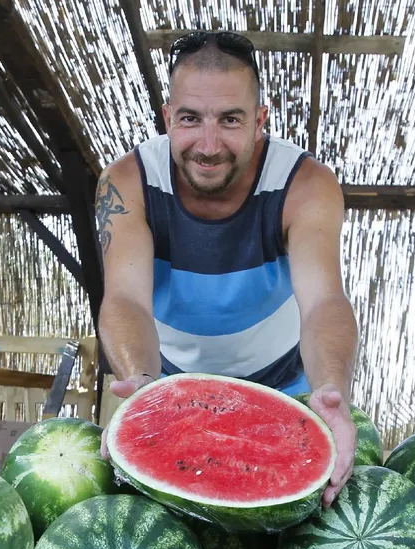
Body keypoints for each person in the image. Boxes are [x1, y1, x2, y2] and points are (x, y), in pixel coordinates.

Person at [96, 31, 359, 505]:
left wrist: (330, 390)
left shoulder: (305, 183)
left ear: (260, 121)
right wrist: (142, 386)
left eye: (230, 120)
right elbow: (125, 299)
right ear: (167, 118)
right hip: (167, 395)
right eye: (190, 119)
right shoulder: (127, 180)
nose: (209, 145)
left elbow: (324, 301)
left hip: (289, 396)